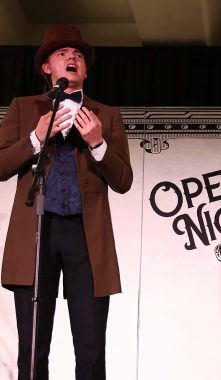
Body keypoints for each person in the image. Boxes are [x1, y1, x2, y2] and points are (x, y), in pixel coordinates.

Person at [0, 24, 132, 379]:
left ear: (85, 69)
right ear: (47, 68)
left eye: (78, 55)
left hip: (86, 239)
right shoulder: (24, 108)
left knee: (90, 349)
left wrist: (97, 143)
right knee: (33, 348)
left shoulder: (106, 115)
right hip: (36, 235)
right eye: (62, 53)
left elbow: (123, 181)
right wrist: (36, 137)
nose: (72, 57)